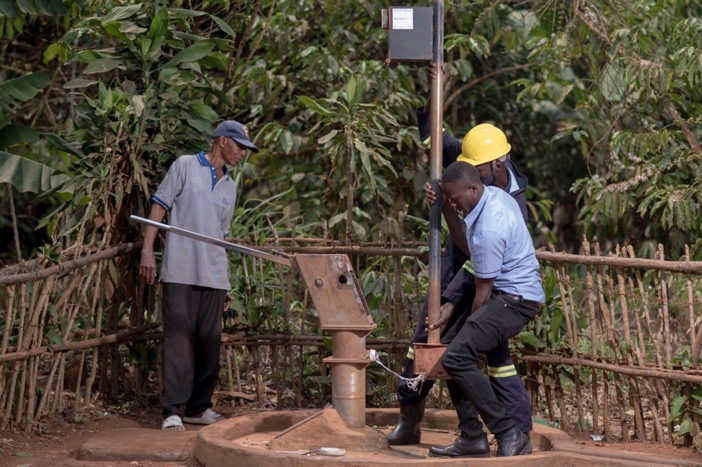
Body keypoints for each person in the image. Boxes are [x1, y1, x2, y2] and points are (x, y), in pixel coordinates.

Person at [387, 64, 532, 446]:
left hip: (490, 283)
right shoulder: (472, 167)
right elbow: (432, 138)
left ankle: (515, 431)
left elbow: (479, 255)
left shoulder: (510, 204)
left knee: (489, 358)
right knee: (428, 343)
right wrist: (438, 89)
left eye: (474, 171)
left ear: (494, 166)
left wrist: (448, 206)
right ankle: (413, 415)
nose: (469, 170)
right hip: (462, 271)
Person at [139, 120, 259, 431]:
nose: (243, 154)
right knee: (178, 339)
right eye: (239, 146)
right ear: (221, 141)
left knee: (209, 341)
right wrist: (147, 249)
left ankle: (198, 407)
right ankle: (172, 411)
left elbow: (221, 236)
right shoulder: (185, 166)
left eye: (246, 149)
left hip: (214, 274)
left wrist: (227, 281)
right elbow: (159, 206)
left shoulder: (230, 187)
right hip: (180, 268)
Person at [427, 161, 544, 457]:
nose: (454, 203)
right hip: (506, 295)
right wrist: (446, 207)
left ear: (472, 187)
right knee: (450, 350)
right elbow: (470, 250)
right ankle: (471, 438)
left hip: (515, 301)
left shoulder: (489, 228)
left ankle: (508, 433)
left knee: (456, 356)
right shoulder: (493, 195)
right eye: (449, 199)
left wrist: (468, 339)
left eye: (455, 198)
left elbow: (481, 294)